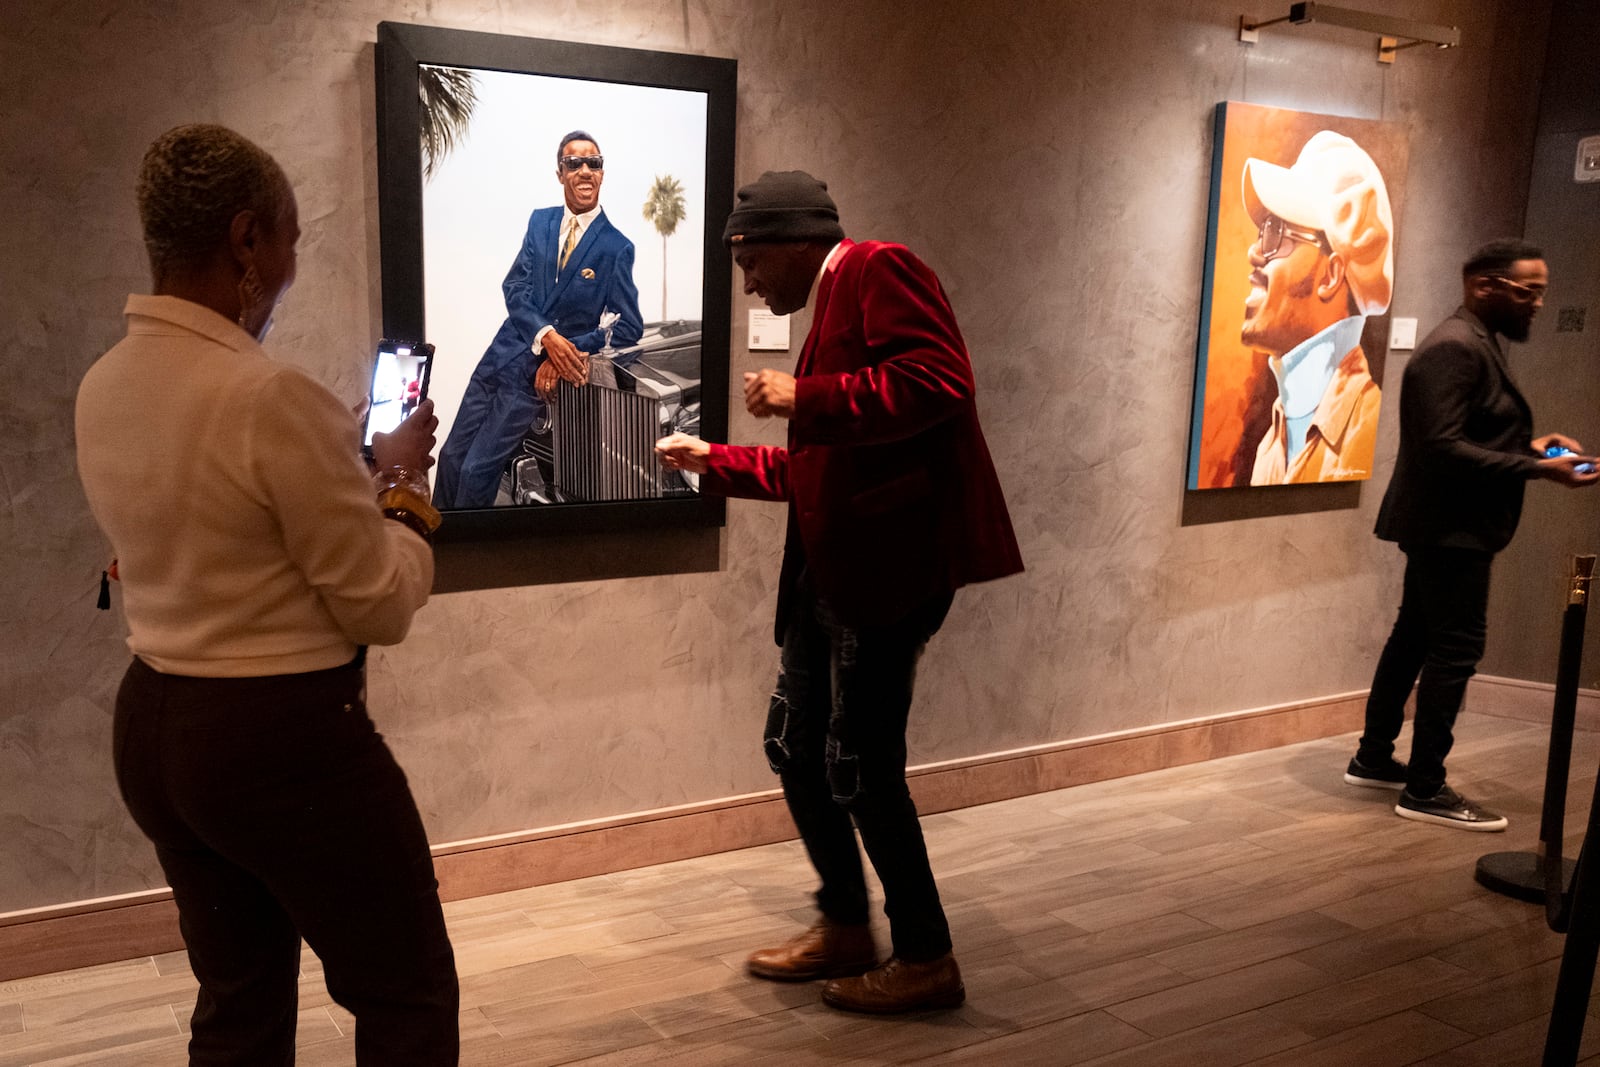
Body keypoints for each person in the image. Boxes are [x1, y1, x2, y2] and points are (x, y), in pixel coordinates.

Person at [75, 124, 459, 1064]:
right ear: (247, 239)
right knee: (406, 989)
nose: (288, 267)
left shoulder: (107, 381)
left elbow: (232, 534)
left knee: (239, 999)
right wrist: (404, 492)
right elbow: (377, 603)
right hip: (281, 743)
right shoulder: (269, 396)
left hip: (156, 727)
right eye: (288, 242)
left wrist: (347, 469)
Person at [656, 171, 1023, 1013]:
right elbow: (819, 471)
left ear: (787, 240)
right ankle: (848, 926)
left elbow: (943, 380)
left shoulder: (878, 267)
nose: (747, 281)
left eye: (747, 259)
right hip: (836, 572)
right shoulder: (831, 307)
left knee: (860, 765)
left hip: (887, 576)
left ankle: (927, 954)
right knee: (795, 746)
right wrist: (716, 460)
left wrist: (805, 395)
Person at [1345, 239, 1598, 829]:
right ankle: (1425, 788)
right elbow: (1439, 449)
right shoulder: (1455, 348)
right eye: (1528, 291)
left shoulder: (1475, 343)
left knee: (1412, 639)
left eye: (1541, 292)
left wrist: (1527, 446)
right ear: (1486, 284)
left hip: (1444, 525)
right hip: (1450, 529)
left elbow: (1464, 434)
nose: (1537, 303)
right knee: (1454, 652)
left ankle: (1374, 757)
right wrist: (1540, 469)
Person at [433, 129, 645, 509]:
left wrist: (564, 354)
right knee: (449, 460)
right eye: (574, 163)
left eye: (593, 163)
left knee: (475, 471)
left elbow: (629, 329)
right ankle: (433, 554)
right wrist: (547, 335)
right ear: (560, 172)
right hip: (497, 359)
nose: (584, 170)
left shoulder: (616, 247)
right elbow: (515, 286)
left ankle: (469, 561)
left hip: (531, 383)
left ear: (601, 173)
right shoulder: (540, 223)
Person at [1240, 131, 1395, 485]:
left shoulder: (1369, 428)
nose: (1254, 253)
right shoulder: (1270, 446)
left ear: (1331, 275)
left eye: (1276, 231)